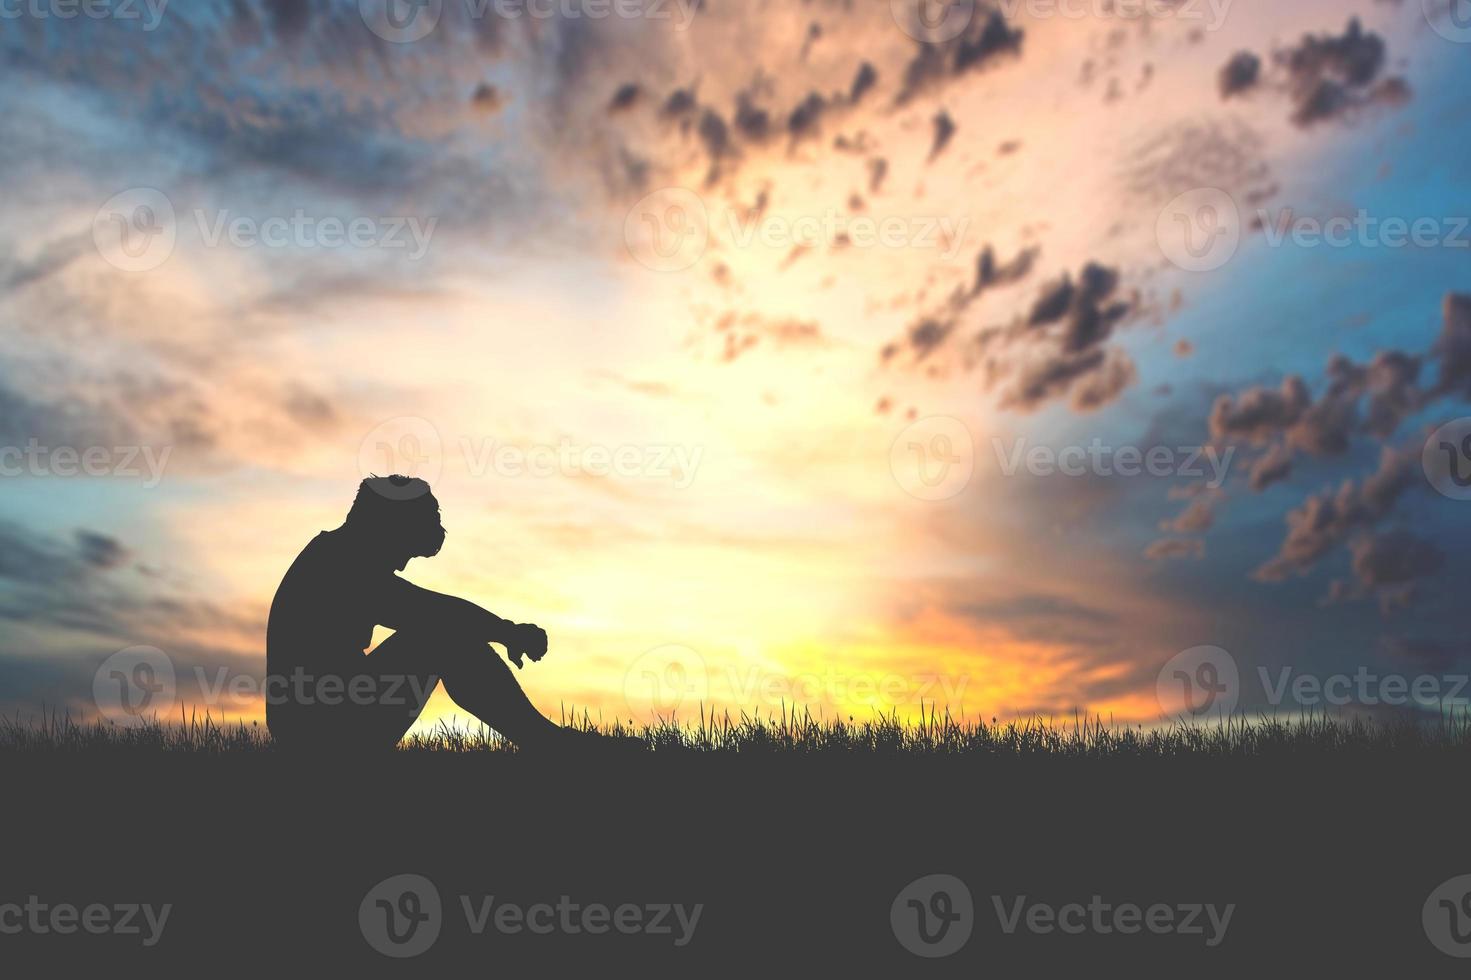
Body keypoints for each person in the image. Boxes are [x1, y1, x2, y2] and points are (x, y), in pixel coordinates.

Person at [265, 474, 571, 752]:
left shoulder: (334, 553)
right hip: (321, 730)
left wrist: (505, 631)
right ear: (387, 525)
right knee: (443, 639)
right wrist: (509, 632)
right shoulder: (339, 563)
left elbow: (427, 609)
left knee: (445, 633)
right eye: (405, 550)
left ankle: (543, 739)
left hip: (324, 717)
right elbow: (432, 612)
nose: (401, 564)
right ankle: (547, 743)